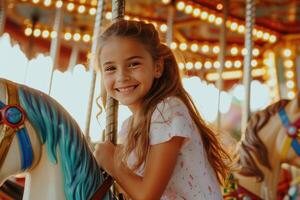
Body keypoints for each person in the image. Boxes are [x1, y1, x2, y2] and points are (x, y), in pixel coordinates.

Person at [93, 20, 231, 200]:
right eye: (110, 68)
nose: (122, 76)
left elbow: (147, 195)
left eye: (134, 64)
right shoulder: (129, 127)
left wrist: (112, 162)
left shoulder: (167, 111)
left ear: (157, 67)